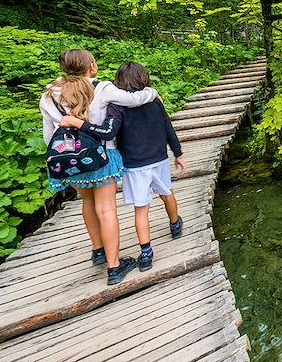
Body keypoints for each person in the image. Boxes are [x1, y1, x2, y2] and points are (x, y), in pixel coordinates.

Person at [40, 49, 158, 285]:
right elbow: (134, 99)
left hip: (70, 160)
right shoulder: (102, 88)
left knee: (87, 201)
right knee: (106, 209)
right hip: (102, 156)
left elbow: (48, 136)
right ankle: (114, 266)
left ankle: (98, 250)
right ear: (91, 66)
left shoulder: (48, 95)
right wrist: (152, 92)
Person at [61, 62, 186, 273]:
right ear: (145, 78)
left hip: (134, 164)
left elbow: (108, 132)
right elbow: (168, 127)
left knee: (141, 209)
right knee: (167, 193)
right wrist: (178, 153)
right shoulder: (155, 101)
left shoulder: (116, 107)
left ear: (118, 82)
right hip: (159, 159)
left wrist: (79, 123)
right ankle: (175, 224)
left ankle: (146, 253)